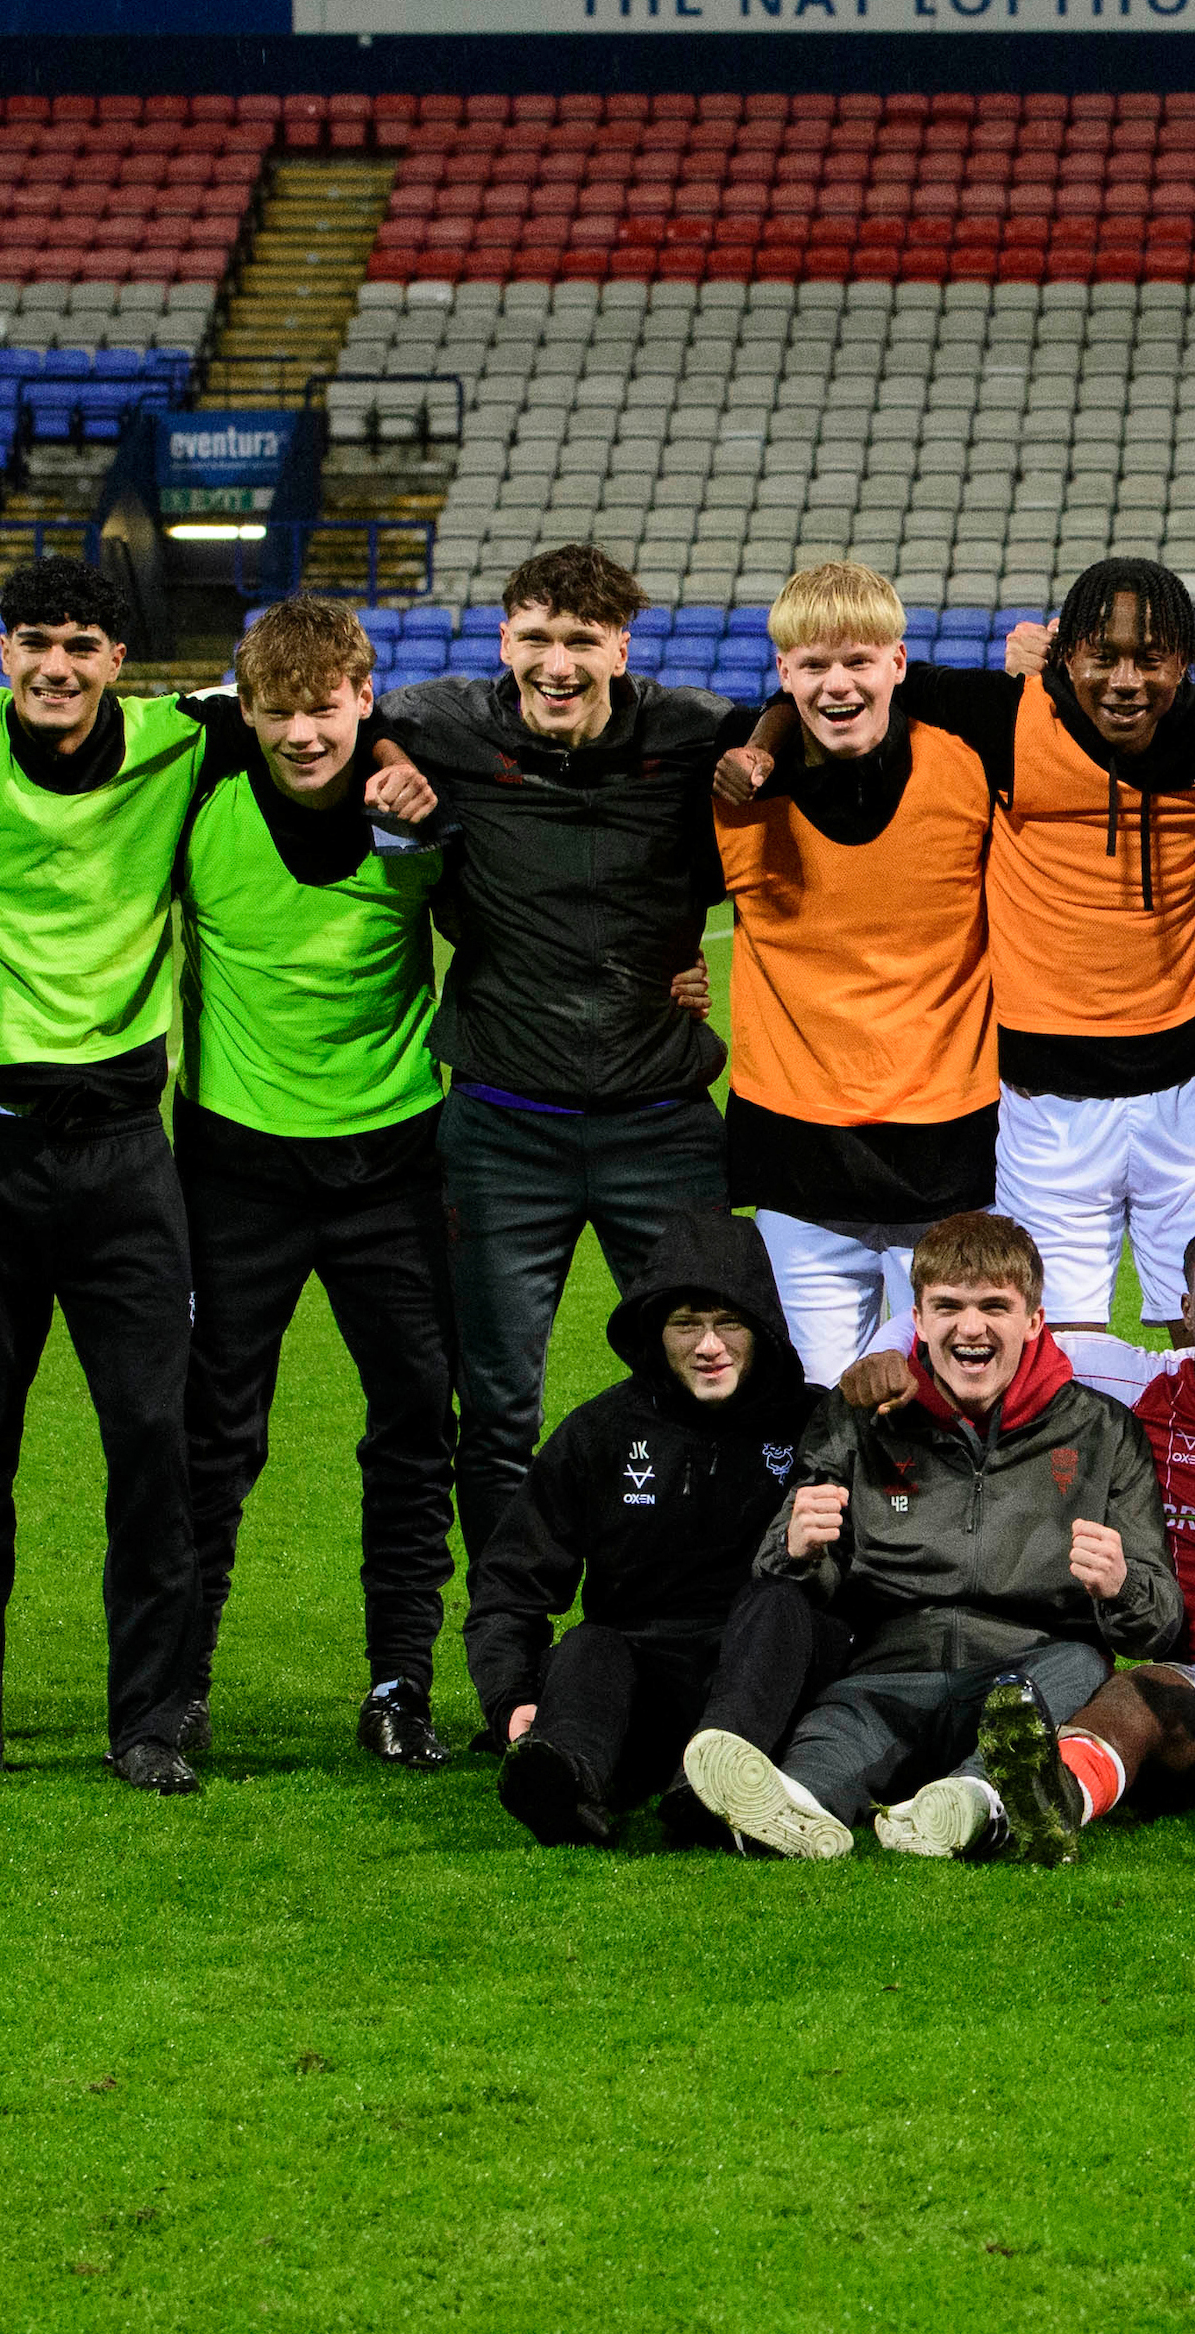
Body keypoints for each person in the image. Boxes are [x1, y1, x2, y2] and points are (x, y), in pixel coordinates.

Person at [0, 556, 224, 1796]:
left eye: (79, 644)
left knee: (151, 1446)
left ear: (121, 659)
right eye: (32, 641)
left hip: (126, 1157)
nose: (54, 666)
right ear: (1, 647)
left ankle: (150, 1724)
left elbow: (327, 706)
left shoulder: (187, 740)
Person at [375, 543, 744, 1617]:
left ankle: (684, 1623)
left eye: (582, 640)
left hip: (663, 1126)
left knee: (705, 1382)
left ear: (621, 649)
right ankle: (511, 1642)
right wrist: (384, 771)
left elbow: (791, 743)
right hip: (501, 1131)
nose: (558, 661)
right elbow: (326, 717)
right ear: (503, 641)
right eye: (536, 637)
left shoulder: (688, 735)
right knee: (495, 1407)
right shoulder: (439, 726)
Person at [813, 1212, 1195, 1861]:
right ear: (1185, 1306)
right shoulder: (1127, 1380)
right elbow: (987, 1333)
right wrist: (890, 1354)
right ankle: (1010, 1804)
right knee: (1127, 1692)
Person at [169, 599, 465, 1769]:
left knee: (412, 1433)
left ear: (364, 695)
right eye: (277, 710)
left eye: (325, 708)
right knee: (212, 1439)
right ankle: (176, 1689)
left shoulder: (426, 792)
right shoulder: (195, 787)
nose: (303, 733)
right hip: (234, 1170)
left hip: (396, 1165)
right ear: (244, 711)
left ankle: (399, 1687)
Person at [709, 1213, 1178, 1859]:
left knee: (1075, 1663)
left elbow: (1156, 1624)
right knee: (824, 1758)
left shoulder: (1102, 1433)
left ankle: (976, 1799)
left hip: (1030, 1672)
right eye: (948, 1307)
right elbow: (789, 1577)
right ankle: (791, 1814)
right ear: (920, 1321)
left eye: (995, 1306)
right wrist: (799, 1550)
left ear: (1034, 1320)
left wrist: (1121, 1586)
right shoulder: (860, 1416)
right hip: (884, 1673)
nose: (971, 1327)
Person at [925, 560, 1195, 1338]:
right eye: (1102, 656)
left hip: (1189, 1091)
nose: (1126, 681)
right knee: (1058, 1343)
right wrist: (764, 745)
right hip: (1047, 1100)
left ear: (1184, 660)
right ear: (1064, 656)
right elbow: (859, 693)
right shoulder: (1005, 717)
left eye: (1151, 659)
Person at [709, 562, 1002, 1385]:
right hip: (797, 1155)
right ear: (783, 674)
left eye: (859, 662)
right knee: (814, 1407)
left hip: (950, 1147)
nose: (838, 685)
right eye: (812, 666)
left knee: (953, 1402)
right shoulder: (731, 779)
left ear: (899, 664)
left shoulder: (972, 760)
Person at [467, 1208, 833, 1850]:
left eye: (728, 1324)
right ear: (653, 1333)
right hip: (640, 1684)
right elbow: (509, 1579)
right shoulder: (599, 1432)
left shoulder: (816, 1425)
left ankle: (714, 1786)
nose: (708, 1345)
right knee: (591, 1644)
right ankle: (561, 1780)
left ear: (764, 1328)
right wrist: (511, 1700)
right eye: (685, 1324)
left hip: (762, 1676)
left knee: (778, 1602)